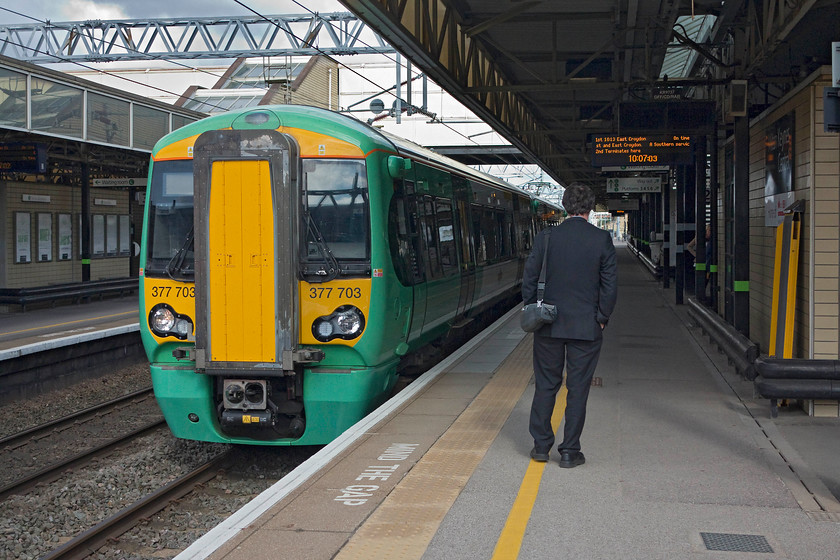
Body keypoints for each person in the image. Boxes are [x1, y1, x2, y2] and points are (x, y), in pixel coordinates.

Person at [522, 183, 617, 468]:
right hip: (586, 327)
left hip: (548, 325)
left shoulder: (547, 237)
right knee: (578, 388)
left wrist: (532, 309)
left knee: (546, 385)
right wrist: (601, 318)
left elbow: (529, 278)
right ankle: (569, 451)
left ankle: (541, 447)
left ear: (565, 207)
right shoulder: (601, 239)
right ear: (589, 208)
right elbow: (609, 286)